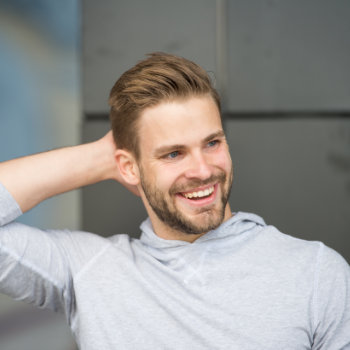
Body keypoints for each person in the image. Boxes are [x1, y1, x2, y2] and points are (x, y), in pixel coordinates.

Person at [0, 52, 349, 350]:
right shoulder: (87, 271)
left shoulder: (317, 274)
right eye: (173, 154)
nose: (202, 170)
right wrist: (99, 158)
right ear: (128, 167)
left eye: (212, 143)